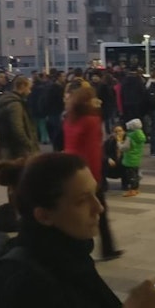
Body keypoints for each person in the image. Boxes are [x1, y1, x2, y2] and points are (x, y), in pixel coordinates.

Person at [0, 153, 155, 307]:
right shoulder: (27, 283)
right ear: (44, 216)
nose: (99, 208)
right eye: (81, 201)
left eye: (95, 194)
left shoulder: (69, 254)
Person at [62, 85, 122, 260]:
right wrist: (96, 178)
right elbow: (93, 151)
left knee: (78, 212)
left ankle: (98, 248)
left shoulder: (70, 119)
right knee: (98, 212)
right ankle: (105, 249)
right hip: (87, 171)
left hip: (71, 168)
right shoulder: (91, 120)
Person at [0, 76, 40, 159]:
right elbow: (18, 127)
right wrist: (29, 143)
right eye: (29, 88)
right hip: (18, 148)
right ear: (22, 86)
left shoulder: (5, 100)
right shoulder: (16, 105)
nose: (30, 92)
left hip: (7, 143)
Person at [121, 118, 146, 197]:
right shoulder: (140, 135)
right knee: (135, 174)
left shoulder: (130, 136)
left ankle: (132, 190)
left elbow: (125, 147)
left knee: (131, 176)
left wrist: (119, 143)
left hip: (129, 158)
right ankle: (136, 189)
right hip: (136, 158)